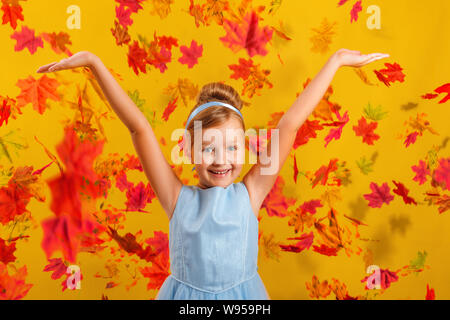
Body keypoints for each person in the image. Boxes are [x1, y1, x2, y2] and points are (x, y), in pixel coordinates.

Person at [36, 49, 389, 299]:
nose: (222, 159)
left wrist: (337, 61)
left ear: (247, 148)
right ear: (188, 150)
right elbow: (139, 128)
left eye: (233, 147)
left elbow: (290, 124)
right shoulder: (177, 198)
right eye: (208, 148)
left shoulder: (251, 192)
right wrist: (94, 64)